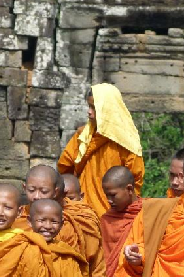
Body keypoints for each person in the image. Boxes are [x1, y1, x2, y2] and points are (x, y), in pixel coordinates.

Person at [58, 83, 145, 217]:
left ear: (108, 110)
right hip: (80, 211)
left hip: (114, 213)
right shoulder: (83, 135)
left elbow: (134, 183)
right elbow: (65, 168)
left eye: (94, 107)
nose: (89, 112)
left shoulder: (127, 142)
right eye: (89, 106)